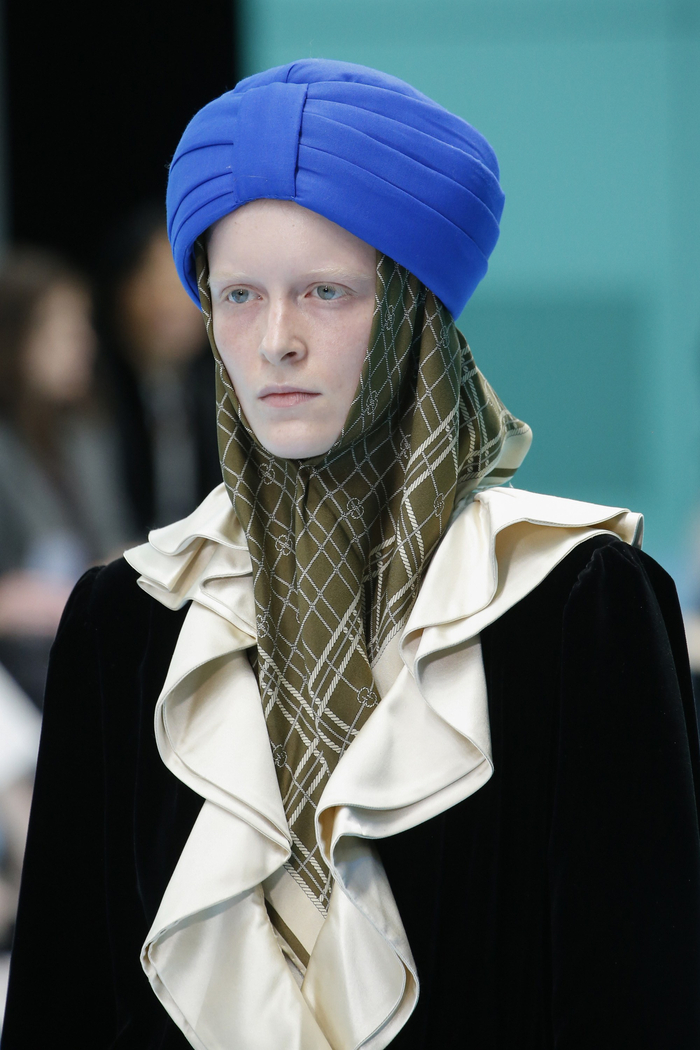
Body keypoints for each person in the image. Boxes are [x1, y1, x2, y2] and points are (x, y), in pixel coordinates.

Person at [3, 60, 699, 1050]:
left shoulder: (575, 599)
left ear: (413, 310)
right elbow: (63, 1004)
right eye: (237, 295)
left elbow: (639, 996)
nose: (274, 341)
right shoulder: (129, 616)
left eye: (325, 292)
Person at [0, 248, 133, 704]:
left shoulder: (84, 434)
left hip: (78, 634)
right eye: (66, 330)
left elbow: (112, 544)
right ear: (17, 339)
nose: (86, 343)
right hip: (19, 661)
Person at [97, 203, 222, 535]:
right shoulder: (93, 396)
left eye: (183, 283)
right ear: (121, 288)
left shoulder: (221, 392)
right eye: (155, 280)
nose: (171, 303)